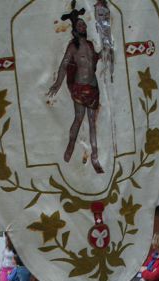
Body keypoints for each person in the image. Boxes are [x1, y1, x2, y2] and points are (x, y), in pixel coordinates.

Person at [47, 13, 105, 174]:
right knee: (79, 119)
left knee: (92, 122)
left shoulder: (91, 45)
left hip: (93, 88)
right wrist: (58, 83)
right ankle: (71, 144)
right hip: (79, 88)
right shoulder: (73, 47)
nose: (83, 27)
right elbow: (64, 65)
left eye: (84, 25)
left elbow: (94, 60)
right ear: (75, 29)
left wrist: (103, 54)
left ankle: (95, 156)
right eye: (80, 25)